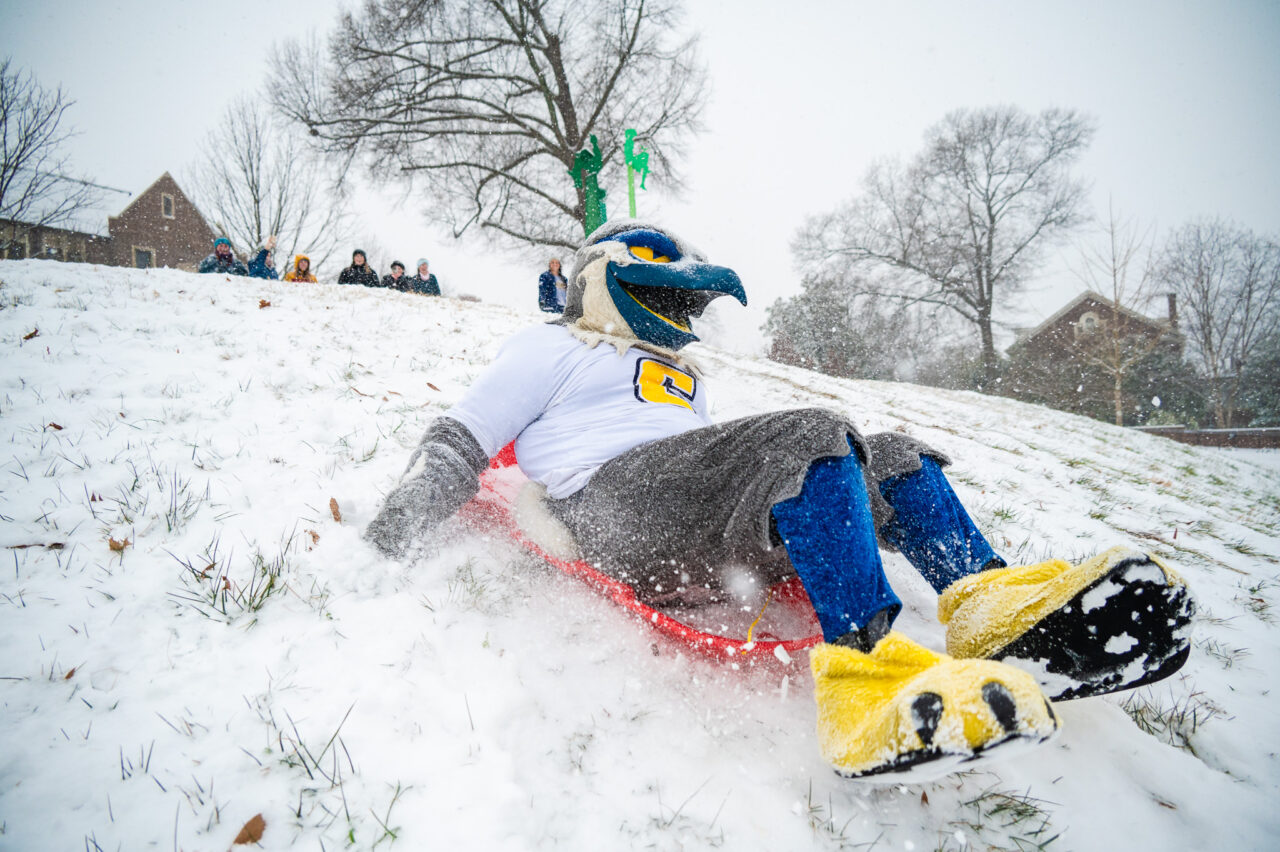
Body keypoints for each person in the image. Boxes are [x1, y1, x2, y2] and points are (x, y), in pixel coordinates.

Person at [363, 221, 1193, 781]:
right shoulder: (549, 347)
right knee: (811, 433)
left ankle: (991, 607)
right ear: (596, 278)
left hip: (693, 513)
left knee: (889, 453)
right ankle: (867, 683)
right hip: (612, 511)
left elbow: (734, 470)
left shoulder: (680, 376)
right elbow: (462, 435)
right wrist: (403, 515)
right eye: (658, 280)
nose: (679, 307)